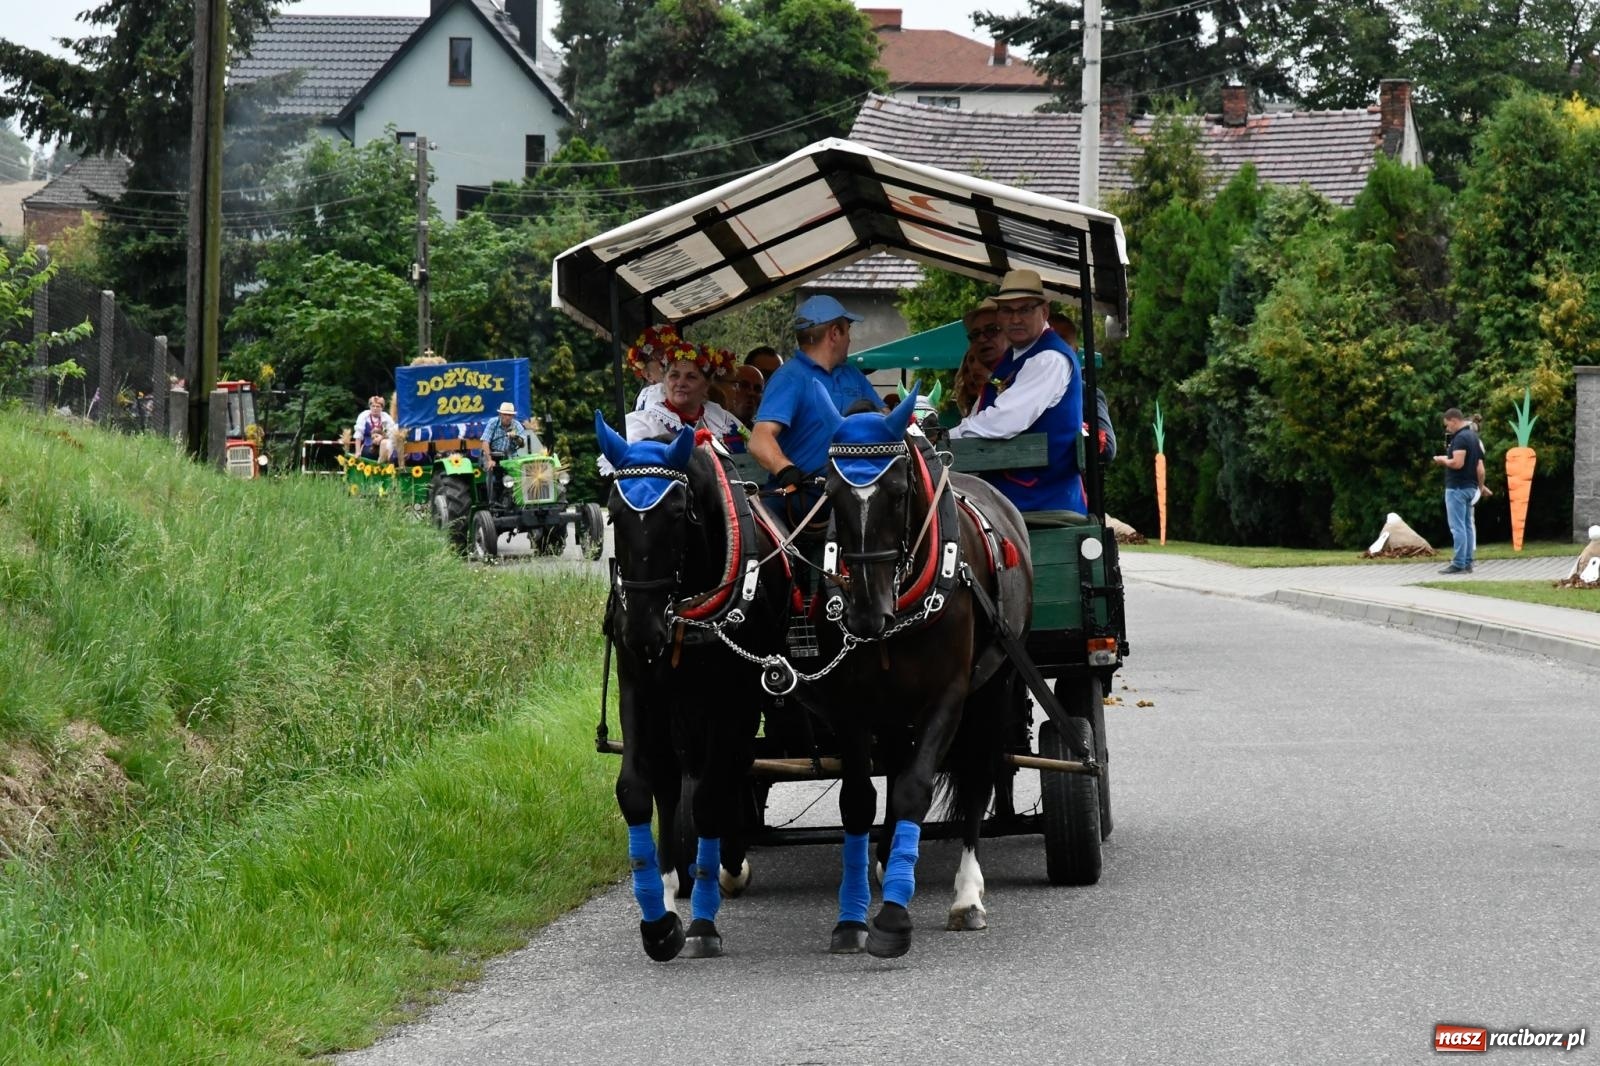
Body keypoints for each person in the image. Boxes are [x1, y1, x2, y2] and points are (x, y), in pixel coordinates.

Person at [949, 269, 1086, 515]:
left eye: (1024, 310)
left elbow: (1003, 422)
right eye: (1007, 311)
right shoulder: (1015, 356)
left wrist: (943, 440)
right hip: (1009, 488)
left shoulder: (1049, 358)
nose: (1015, 319)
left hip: (1039, 496)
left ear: (1043, 312)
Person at [749, 295, 884, 489]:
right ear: (835, 333)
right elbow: (759, 440)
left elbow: (885, 418)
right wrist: (786, 470)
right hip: (802, 498)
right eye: (847, 331)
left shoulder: (852, 374)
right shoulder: (789, 377)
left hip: (851, 495)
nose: (850, 339)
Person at [624, 340, 742, 443]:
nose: (681, 383)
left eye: (691, 377)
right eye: (674, 376)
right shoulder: (645, 423)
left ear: (706, 386)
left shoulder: (722, 419)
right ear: (664, 382)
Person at [1050, 311, 1117, 463]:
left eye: (1062, 340)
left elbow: (1107, 448)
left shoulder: (1087, 393)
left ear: (1074, 350)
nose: (1054, 346)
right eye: (1048, 339)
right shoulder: (1020, 384)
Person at [1434, 406, 1484, 573]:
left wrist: (1443, 460)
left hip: (1457, 487)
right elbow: (1480, 467)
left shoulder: (1461, 438)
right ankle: (1468, 561)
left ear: (1454, 420)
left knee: (1458, 527)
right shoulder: (1473, 437)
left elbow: (1457, 463)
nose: (1447, 428)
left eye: (1448, 425)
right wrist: (1480, 486)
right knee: (1468, 525)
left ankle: (1459, 563)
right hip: (1471, 486)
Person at [953, 299, 1005, 416]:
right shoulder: (982, 396)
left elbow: (1011, 399)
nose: (982, 339)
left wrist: (988, 375)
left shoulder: (1027, 367)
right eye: (975, 334)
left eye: (991, 330)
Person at [353, 396, 396, 463]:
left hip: (382, 445)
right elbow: (358, 435)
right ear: (370, 407)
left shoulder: (386, 418)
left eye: (378, 406)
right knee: (369, 453)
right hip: (368, 445)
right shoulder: (364, 416)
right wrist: (357, 452)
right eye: (373, 406)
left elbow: (392, 433)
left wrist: (382, 437)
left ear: (382, 408)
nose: (375, 408)